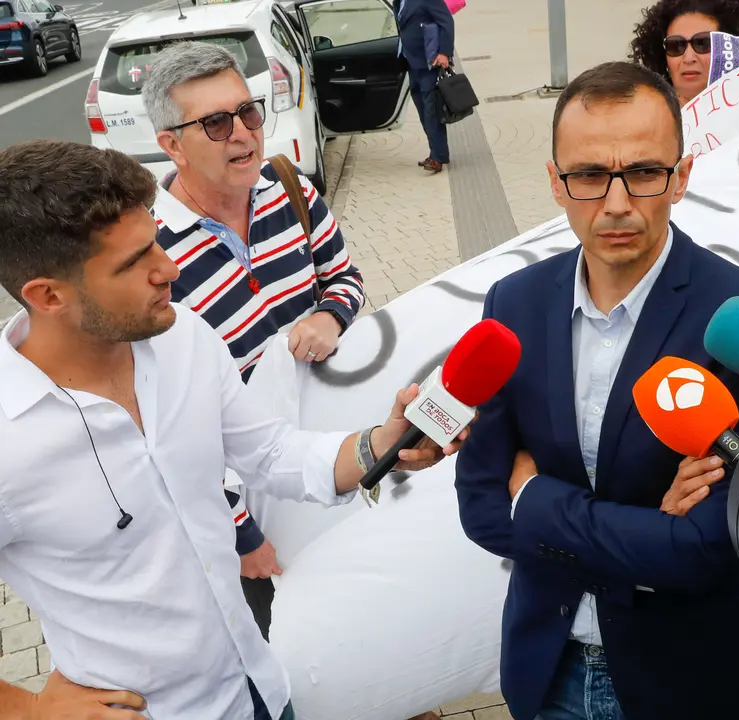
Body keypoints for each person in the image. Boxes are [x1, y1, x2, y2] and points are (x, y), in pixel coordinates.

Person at [0, 140, 462, 719]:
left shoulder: (182, 336)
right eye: (133, 262)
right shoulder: (8, 439)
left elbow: (269, 453)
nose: (168, 269)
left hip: (262, 689)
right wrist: (25, 710)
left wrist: (376, 445)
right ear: (48, 296)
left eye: (156, 243)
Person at [454, 61, 739, 720]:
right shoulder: (513, 305)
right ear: (555, 183)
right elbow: (481, 510)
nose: (615, 204)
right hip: (547, 670)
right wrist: (646, 532)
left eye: (643, 173)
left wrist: (534, 496)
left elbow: (704, 549)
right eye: (588, 176)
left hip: (691, 680)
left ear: (683, 176)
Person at [143, 40, 367, 640]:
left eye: (248, 112)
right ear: (171, 145)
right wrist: (241, 533)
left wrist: (330, 316)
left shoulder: (290, 187)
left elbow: (346, 278)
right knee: (289, 644)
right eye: (215, 122)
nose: (243, 133)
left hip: (328, 452)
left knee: (356, 605)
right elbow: (172, 422)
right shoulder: (151, 256)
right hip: (248, 503)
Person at [629, 0, 739, 116]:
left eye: (703, 43)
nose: (688, 58)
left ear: (729, 47)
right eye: (676, 46)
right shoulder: (643, 118)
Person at [394, 0, 454, 174]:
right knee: (423, 110)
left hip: (429, 61)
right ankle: (439, 153)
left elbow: (447, 21)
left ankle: (436, 158)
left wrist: (444, 52)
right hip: (411, 62)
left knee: (430, 110)